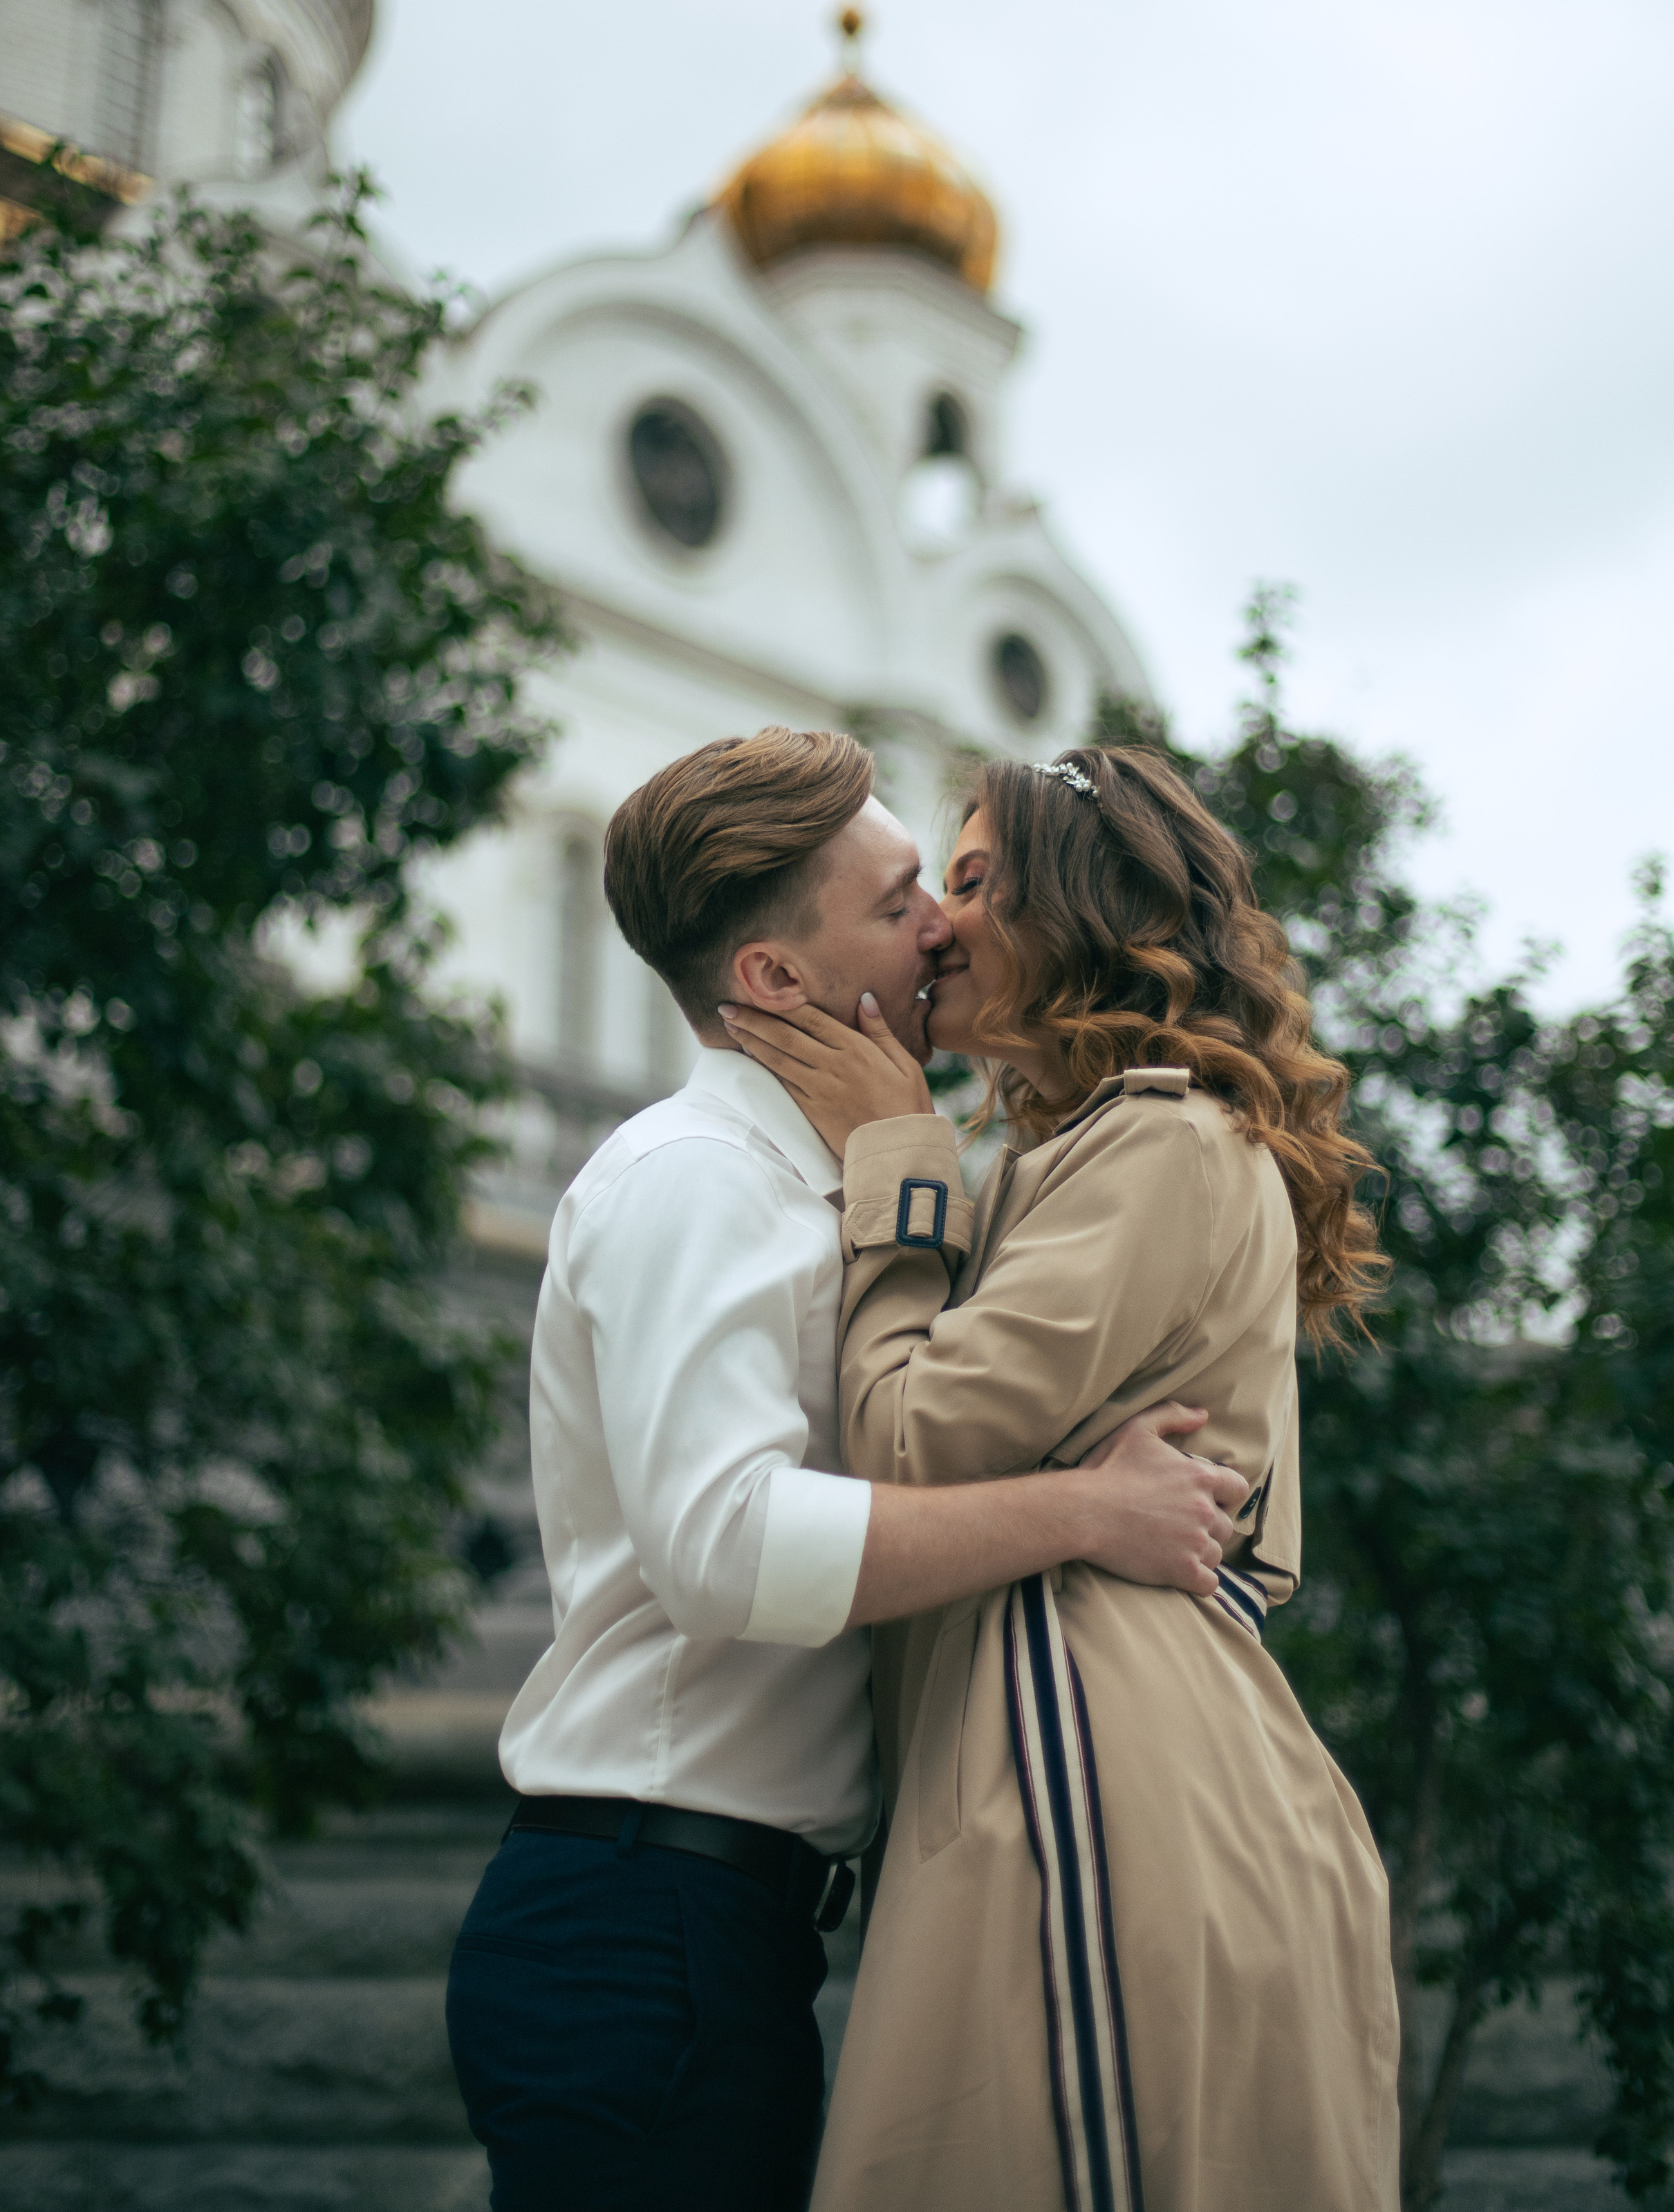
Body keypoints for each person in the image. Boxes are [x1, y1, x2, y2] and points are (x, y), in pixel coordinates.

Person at [444, 727, 1250, 2212]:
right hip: (643, 1917)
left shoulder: (830, 1184)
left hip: (714, 1924)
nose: (941, 923)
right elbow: (726, 1550)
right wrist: (1085, 1511)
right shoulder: (698, 1180)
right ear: (772, 979)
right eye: (895, 903)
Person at [718, 742, 1402, 2212]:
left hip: (1088, 1755)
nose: (937, 924)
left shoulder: (1156, 1144)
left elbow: (902, 1443)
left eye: (972, 884)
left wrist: (892, 1156)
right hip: (1067, 1739)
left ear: (1077, 916)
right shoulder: (1097, 1154)